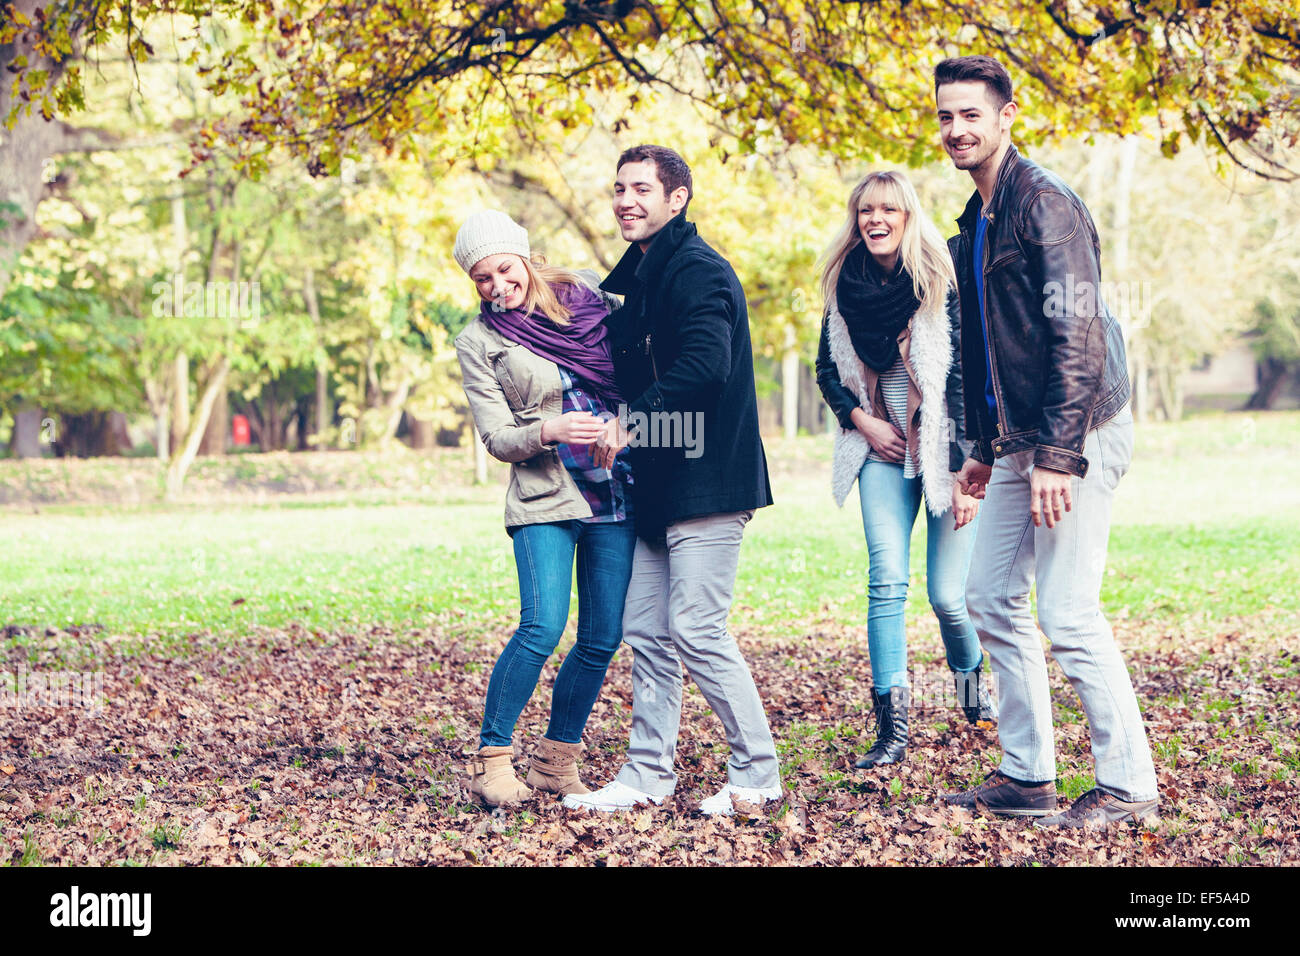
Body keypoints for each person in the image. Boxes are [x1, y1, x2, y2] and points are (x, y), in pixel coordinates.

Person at [934, 55, 1159, 826]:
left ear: (1007, 116)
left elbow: (1077, 334)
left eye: (971, 114)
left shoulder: (1045, 204)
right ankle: (1029, 776)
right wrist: (982, 448)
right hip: (1019, 440)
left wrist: (1058, 457)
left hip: (1078, 430)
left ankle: (1128, 786)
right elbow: (987, 351)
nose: (956, 129)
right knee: (987, 596)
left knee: (1066, 610)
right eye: (945, 116)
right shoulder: (976, 219)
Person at [560, 144, 781, 816]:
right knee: (647, 630)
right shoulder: (643, 277)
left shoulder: (697, 271)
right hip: (657, 486)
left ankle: (758, 775)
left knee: (697, 629)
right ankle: (645, 776)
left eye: (641, 189)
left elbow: (705, 367)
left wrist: (630, 422)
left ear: (676, 198)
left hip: (709, 480)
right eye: (618, 188)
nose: (625, 201)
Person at [452, 210, 637, 807]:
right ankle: (492, 760)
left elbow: (638, 373)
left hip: (614, 488)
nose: (497, 287)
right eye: (482, 279)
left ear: (526, 258)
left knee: (603, 637)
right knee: (541, 627)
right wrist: (547, 430)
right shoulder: (478, 342)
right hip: (545, 497)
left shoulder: (590, 298)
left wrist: (630, 424)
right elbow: (497, 437)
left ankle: (556, 762)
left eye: (505, 270)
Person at [814, 169, 996, 771]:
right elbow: (827, 370)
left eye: (889, 209)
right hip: (881, 455)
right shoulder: (843, 286)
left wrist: (968, 471)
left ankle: (972, 688)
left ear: (908, 217)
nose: (876, 219)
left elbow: (966, 376)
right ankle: (892, 729)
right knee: (887, 581)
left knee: (948, 597)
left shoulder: (941, 282)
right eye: (866, 210)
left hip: (944, 454)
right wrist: (863, 423)